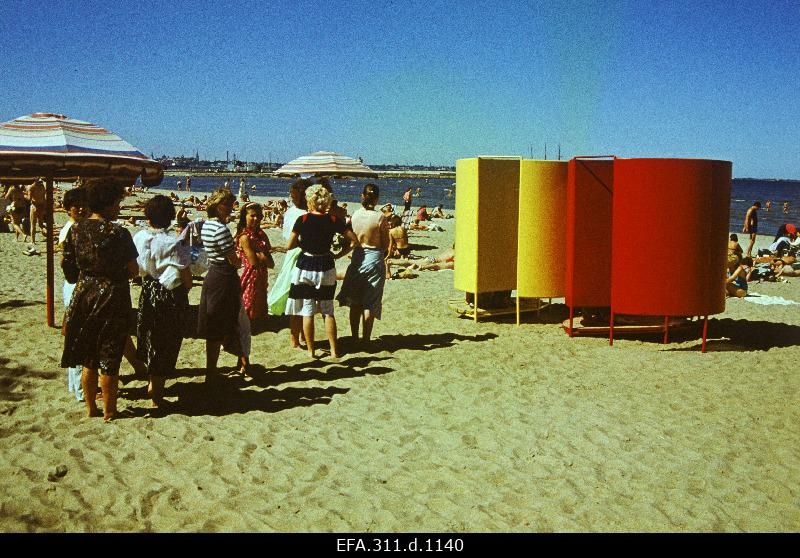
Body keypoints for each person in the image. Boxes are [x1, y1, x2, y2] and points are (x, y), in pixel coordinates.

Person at [60, 181, 139, 421]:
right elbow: (133, 270)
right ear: (107, 203)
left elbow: (69, 268)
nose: (118, 208)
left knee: (89, 356)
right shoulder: (118, 232)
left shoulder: (76, 230)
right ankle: (109, 410)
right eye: (116, 203)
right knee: (110, 354)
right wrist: (116, 274)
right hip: (112, 295)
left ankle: (90, 408)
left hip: (84, 293)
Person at [133, 195, 193, 409]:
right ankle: (156, 392)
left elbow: (136, 270)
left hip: (147, 288)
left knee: (149, 336)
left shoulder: (139, 237)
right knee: (166, 341)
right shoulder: (172, 243)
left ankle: (153, 383)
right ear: (169, 217)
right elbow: (187, 278)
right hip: (168, 292)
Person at [285, 184, 358, 359]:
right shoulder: (333, 220)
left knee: (307, 311)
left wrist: (303, 243)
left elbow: (289, 245)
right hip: (326, 263)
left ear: (309, 201)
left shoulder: (302, 220)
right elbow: (354, 241)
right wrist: (339, 255)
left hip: (307, 264)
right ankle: (334, 350)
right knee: (327, 310)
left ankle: (311, 351)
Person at [197, 189, 242, 382]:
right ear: (216, 206)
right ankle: (213, 370)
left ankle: (211, 368)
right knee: (223, 322)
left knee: (214, 323)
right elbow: (234, 261)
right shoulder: (220, 229)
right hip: (224, 275)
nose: (230, 208)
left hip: (213, 273)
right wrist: (239, 257)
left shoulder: (207, 225)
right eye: (227, 205)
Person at [336, 184, 389, 344]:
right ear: (377, 198)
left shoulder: (355, 216)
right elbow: (385, 244)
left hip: (358, 258)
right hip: (374, 259)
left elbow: (349, 239)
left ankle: (354, 337)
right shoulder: (380, 217)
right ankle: (366, 339)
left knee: (355, 301)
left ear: (362, 196)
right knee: (370, 302)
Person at [268, 179, 311, 350]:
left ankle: (298, 336)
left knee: (297, 296)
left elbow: (287, 237)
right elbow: (295, 239)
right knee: (298, 297)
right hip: (299, 253)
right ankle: (296, 338)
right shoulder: (301, 214)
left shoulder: (291, 212)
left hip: (292, 253)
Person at [58, 187, 88, 402]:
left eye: (83, 204)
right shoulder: (72, 230)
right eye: (75, 205)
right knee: (79, 339)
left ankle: (75, 386)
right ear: (67, 209)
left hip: (74, 285)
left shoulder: (75, 227)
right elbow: (68, 264)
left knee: (75, 338)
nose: (80, 208)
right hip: (75, 285)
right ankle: (80, 390)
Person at [235, 202, 274, 322]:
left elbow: (270, 263)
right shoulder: (244, 237)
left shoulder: (261, 234)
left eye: (259, 216)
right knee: (249, 300)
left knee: (260, 299)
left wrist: (260, 254)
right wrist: (261, 254)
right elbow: (253, 262)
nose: (256, 218)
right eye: (252, 216)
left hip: (262, 273)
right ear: (244, 217)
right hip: (250, 274)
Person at [27, 178, 46, 244]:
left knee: (33, 224)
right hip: (41, 205)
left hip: (34, 206)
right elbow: (44, 198)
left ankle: (33, 241)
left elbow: (29, 198)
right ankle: (48, 234)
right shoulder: (42, 186)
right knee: (41, 224)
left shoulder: (31, 187)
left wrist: (23, 195)